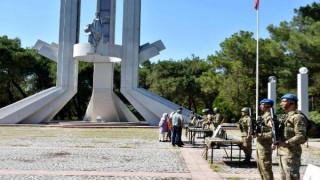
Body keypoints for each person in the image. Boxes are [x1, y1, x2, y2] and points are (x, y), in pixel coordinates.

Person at [272, 94, 307, 180]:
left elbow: (300, 136)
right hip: (283, 151)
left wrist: (286, 143)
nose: (281, 104)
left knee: (291, 177)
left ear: (292, 103)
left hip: (292, 153)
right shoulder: (287, 116)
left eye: (283, 101)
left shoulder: (298, 117)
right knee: (284, 176)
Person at [256, 98, 274, 180]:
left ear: (267, 105)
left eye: (262, 105)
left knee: (266, 168)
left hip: (265, 146)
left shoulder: (269, 117)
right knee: (261, 167)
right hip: (260, 145)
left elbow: (273, 133)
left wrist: (259, 135)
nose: (260, 106)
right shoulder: (263, 116)